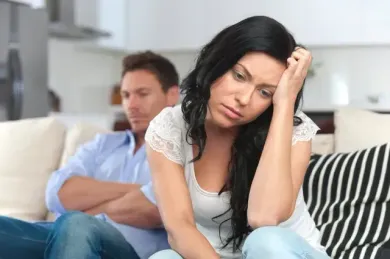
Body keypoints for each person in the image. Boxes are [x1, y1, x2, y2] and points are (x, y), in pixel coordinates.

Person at [145, 16, 330, 259]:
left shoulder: (294, 128)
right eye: (240, 76)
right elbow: (180, 230)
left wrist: (285, 102)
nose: (244, 98)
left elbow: (263, 218)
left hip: (281, 253)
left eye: (264, 92)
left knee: (264, 241)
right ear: (218, 61)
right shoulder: (170, 127)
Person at [0, 51, 180, 259]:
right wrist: (139, 191)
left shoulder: (184, 147)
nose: (131, 105)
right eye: (126, 95)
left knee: (76, 222)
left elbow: (160, 207)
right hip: (64, 237)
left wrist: (86, 210)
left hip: (124, 250)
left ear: (172, 95)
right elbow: (57, 193)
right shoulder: (103, 144)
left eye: (142, 94)